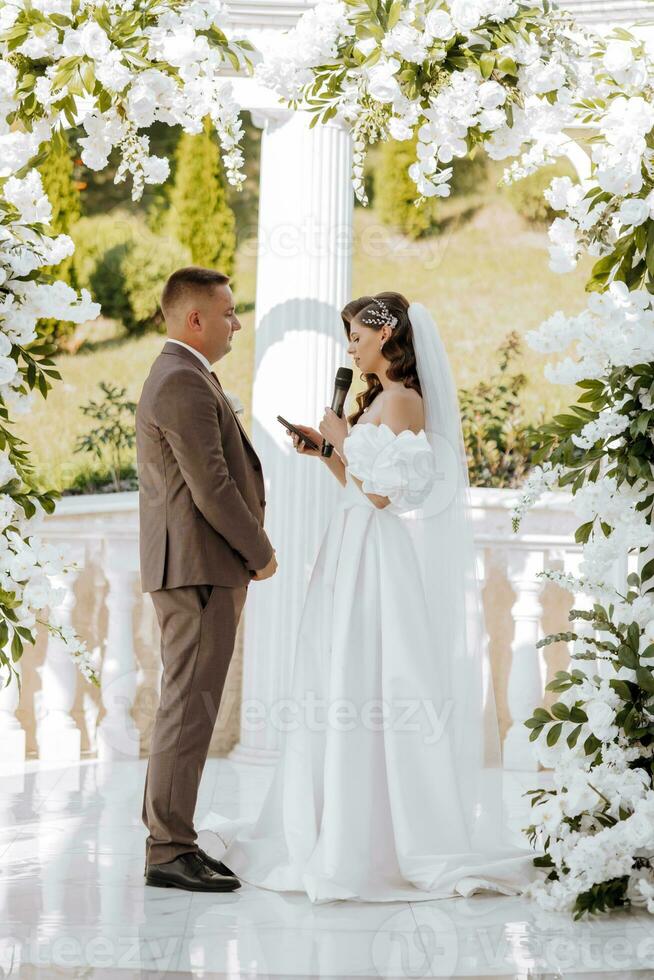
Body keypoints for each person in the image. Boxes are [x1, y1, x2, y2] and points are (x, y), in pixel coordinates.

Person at [197, 291, 542, 903]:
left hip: (375, 554)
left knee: (372, 681)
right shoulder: (379, 399)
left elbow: (384, 495)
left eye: (355, 333)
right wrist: (327, 451)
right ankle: (327, 819)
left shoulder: (405, 401)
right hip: (348, 544)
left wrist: (339, 441)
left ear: (386, 336)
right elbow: (357, 484)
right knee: (337, 679)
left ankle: (377, 837)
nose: (349, 345)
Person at [136, 266, 278, 893]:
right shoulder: (181, 381)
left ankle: (176, 841)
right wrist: (261, 551)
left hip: (199, 567)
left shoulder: (185, 376)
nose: (236, 323)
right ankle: (168, 849)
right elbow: (212, 485)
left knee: (191, 708)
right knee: (188, 710)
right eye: (228, 313)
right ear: (195, 318)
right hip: (197, 569)